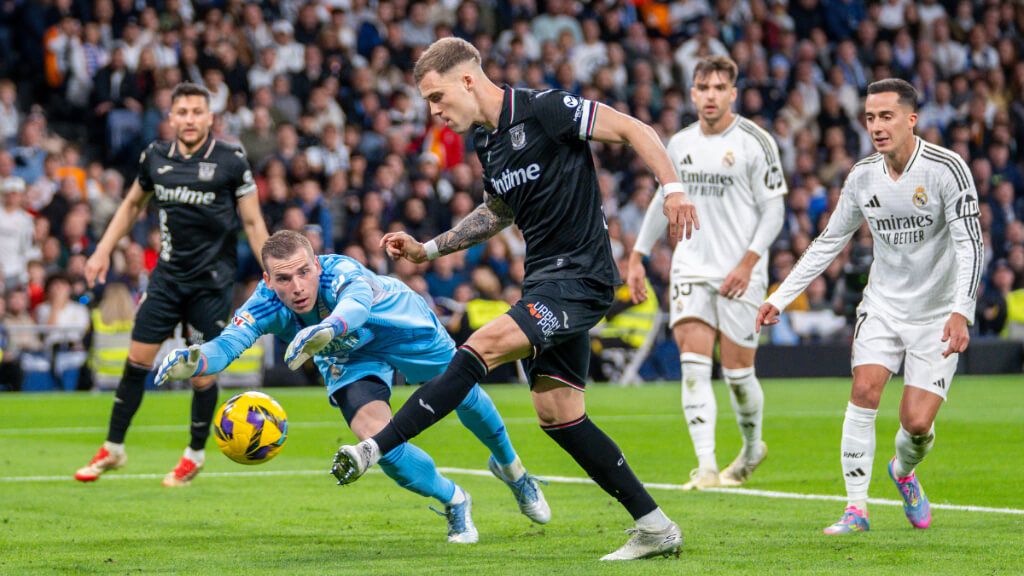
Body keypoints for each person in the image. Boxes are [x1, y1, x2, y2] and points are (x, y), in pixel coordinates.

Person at [329, 37, 698, 561]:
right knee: (558, 415)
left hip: (583, 277)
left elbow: (634, 128)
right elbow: (498, 211)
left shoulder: (546, 109)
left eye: (436, 98)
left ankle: (374, 447)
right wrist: (429, 249)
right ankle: (655, 527)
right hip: (543, 280)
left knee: (480, 345)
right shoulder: (488, 144)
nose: (433, 112)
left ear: (467, 80)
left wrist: (674, 187)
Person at [154, 230, 549, 543]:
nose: (297, 286)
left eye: (304, 271)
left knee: (461, 389)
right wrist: (196, 360)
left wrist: (329, 327)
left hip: (400, 328)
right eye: (284, 278)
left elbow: (355, 307)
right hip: (348, 356)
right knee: (378, 442)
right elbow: (228, 345)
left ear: (316, 264)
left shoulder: (342, 270)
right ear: (267, 280)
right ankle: (454, 499)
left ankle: (512, 469)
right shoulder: (264, 303)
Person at [756, 79, 982, 535]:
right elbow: (828, 243)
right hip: (882, 305)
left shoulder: (946, 168)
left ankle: (902, 472)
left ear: (911, 119)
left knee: (916, 424)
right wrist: (779, 296)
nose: (877, 126)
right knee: (864, 392)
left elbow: (970, 244)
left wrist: (963, 310)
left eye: (886, 116)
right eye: (870, 118)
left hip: (937, 314)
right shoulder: (862, 175)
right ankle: (855, 508)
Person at [74, 82, 270, 487]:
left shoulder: (230, 160)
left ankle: (194, 454)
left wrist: (273, 267)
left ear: (210, 117)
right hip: (166, 280)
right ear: (172, 118)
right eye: (182, 112)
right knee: (136, 362)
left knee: (202, 375)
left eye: (198, 112)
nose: (190, 119)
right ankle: (114, 448)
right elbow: (131, 205)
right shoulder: (155, 157)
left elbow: (251, 221)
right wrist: (101, 251)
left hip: (211, 286)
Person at [627, 56, 785, 490]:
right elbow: (667, 200)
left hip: (741, 272)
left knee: (737, 375)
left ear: (733, 92)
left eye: (719, 87)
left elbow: (775, 211)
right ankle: (706, 467)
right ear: (692, 93)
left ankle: (752, 446)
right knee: (694, 367)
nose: (711, 95)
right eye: (703, 87)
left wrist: (749, 262)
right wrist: (638, 254)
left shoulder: (756, 141)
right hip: (692, 266)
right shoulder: (678, 144)